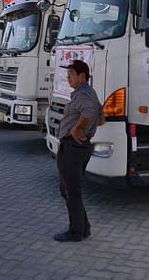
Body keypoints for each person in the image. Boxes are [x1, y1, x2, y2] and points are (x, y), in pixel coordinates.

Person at [54, 59, 103, 242]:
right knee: (68, 189)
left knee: (70, 191)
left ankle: (76, 232)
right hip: (77, 147)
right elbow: (100, 113)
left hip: (73, 148)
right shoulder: (87, 92)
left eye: (72, 74)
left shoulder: (83, 95)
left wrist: (76, 129)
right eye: (68, 74)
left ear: (83, 76)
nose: (68, 77)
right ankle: (84, 227)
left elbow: (90, 112)